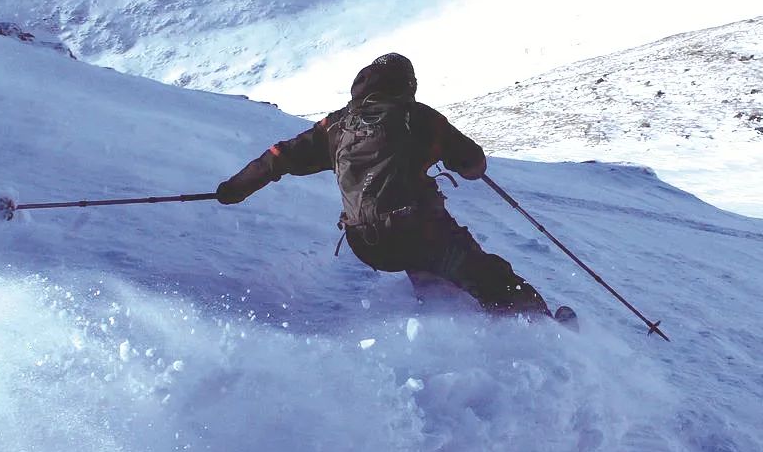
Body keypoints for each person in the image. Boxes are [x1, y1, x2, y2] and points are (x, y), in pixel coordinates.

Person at [216, 53, 554, 318]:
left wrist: (234, 189)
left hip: (365, 243)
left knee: (429, 264)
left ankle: (445, 318)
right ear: (407, 84)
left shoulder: (336, 125)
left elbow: (279, 157)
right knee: (488, 272)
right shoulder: (419, 118)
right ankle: (539, 325)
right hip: (418, 234)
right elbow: (472, 162)